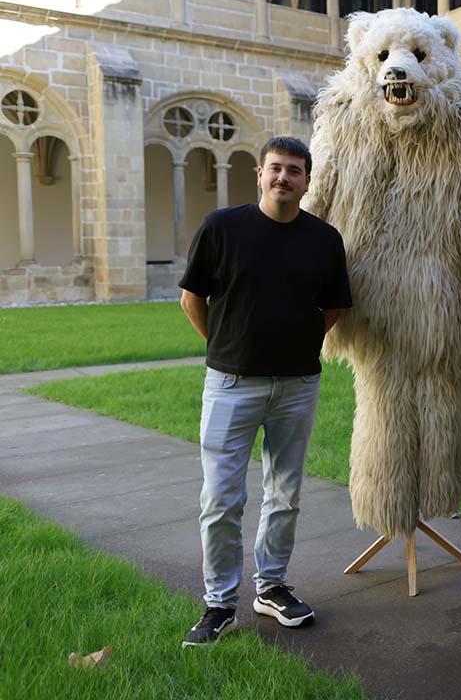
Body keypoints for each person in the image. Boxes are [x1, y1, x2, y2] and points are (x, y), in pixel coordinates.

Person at [178, 136, 352, 648]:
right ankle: (219, 604)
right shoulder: (222, 228)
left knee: (285, 494)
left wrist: (296, 347)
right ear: (259, 174)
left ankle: (271, 586)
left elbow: (333, 308)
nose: (284, 177)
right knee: (221, 499)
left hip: (297, 386)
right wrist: (226, 347)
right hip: (231, 384)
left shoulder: (324, 239)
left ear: (307, 180)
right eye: (276, 168)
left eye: (294, 170)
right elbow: (191, 299)